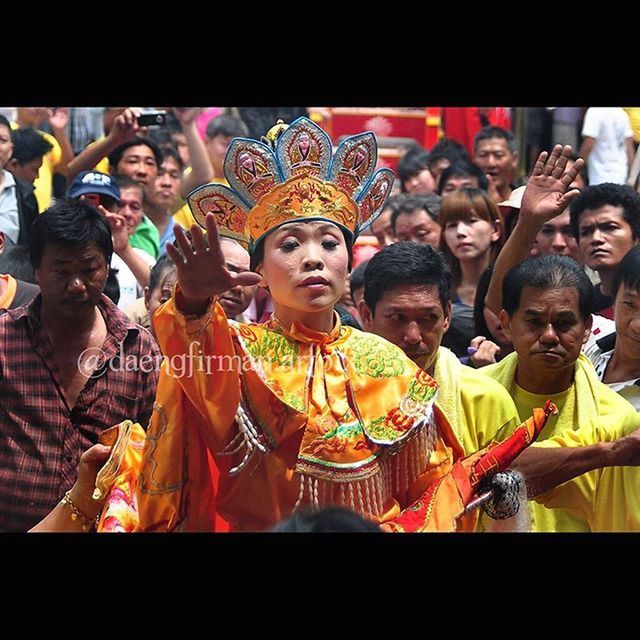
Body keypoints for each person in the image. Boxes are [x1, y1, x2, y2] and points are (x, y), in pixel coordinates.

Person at [110, 117, 545, 533]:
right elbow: (191, 352)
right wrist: (191, 299)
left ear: (349, 259)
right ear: (259, 269)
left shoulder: (387, 363)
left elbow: (426, 493)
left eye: (330, 242)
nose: (313, 257)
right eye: (291, 244)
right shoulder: (238, 350)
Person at [0, 199, 160, 531]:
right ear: (37, 268)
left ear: (107, 265)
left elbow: (157, 449)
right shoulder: (4, 339)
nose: (76, 285)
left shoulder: (138, 348)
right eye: (61, 270)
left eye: (89, 270)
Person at [359, 241, 520, 457]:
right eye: (397, 318)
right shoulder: (338, 396)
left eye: (428, 318)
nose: (413, 336)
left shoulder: (486, 399)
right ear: (367, 315)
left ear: (447, 316)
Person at [569, 182, 640, 318]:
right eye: (586, 232)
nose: (596, 238)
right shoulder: (581, 307)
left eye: (609, 227)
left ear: (637, 236)